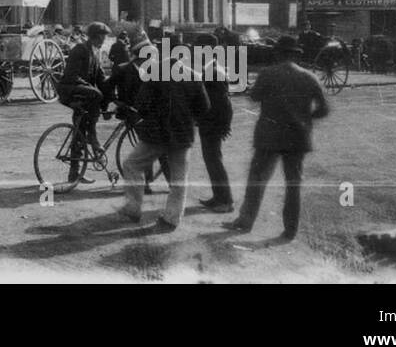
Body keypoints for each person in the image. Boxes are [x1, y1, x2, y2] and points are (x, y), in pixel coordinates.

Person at [225, 34, 328, 240]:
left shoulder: (268, 73)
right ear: (296, 55)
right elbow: (323, 109)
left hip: (269, 136)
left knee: (257, 179)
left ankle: (245, 221)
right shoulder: (310, 77)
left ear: (278, 53)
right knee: (293, 185)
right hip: (298, 138)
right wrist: (304, 119)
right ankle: (290, 230)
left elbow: (254, 97)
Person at [119, 42, 211, 232]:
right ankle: (172, 218)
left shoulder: (155, 72)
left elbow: (141, 104)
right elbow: (204, 107)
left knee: (132, 165)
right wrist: (189, 118)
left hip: (156, 134)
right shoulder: (194, 76)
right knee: (179, 177)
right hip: (182, 134)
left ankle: (133, 207)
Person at [57, 22, 111, 183]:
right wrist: (91, 88)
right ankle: (93, 138)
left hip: (83, 93)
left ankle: (74, 173)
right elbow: (71, 75)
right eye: (101, 37)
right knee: (96, 94)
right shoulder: (80, 49)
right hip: (70, 89)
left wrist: (114, 97)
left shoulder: (95, 52)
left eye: (104, 37)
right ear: (94, 36)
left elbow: (102, 80)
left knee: (79, 131)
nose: (103, 40)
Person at [196, 44, 234, 212]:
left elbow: (224, 102)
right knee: (211, 161)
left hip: (213, 124)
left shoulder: (214, 71)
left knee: (214, 162)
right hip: (209, 123)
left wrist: (225, 125)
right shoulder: (210, 68)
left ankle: (226, 201)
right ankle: (218, 197)